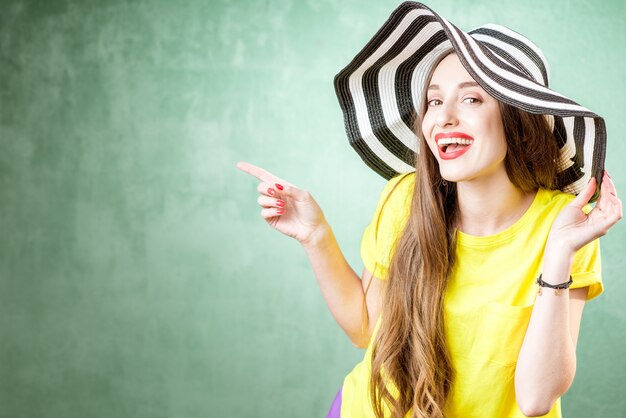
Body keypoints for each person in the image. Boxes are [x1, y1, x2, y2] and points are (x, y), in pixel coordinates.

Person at [237, 3, 622, 417]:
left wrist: (560, 253)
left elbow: (535, 400)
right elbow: (365, 329)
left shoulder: (564, 225)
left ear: (516, 120)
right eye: (434, 101)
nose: (444, 118)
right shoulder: (405, 197)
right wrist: (315, 236)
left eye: (472, 98)